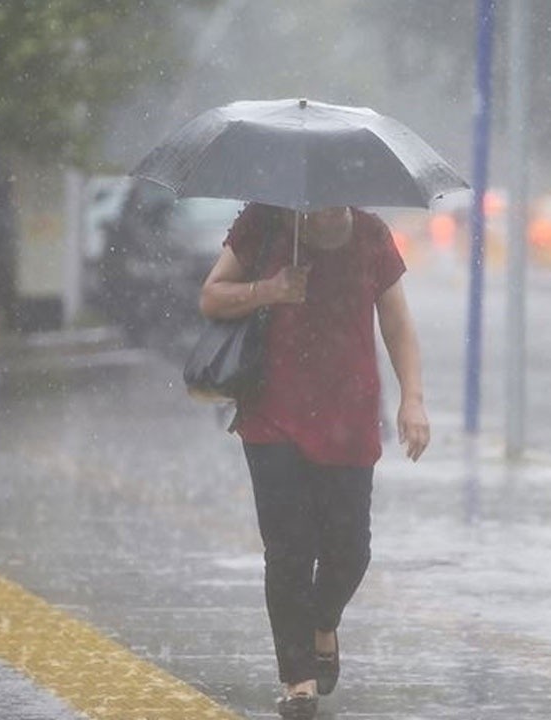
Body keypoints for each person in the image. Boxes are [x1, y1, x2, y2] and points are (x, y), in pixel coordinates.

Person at [198, 202, 430, 719]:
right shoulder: (265, 223)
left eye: (339, 195)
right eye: (318, 197)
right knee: (289, 550)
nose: (328, 207)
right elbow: (211, 296)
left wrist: (412, 397)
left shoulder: (371, 235)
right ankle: (297, 677)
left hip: (349, 414)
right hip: (273, 413)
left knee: (351, 550)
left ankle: (323, 623)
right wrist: (271, 289)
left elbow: (396, 322)